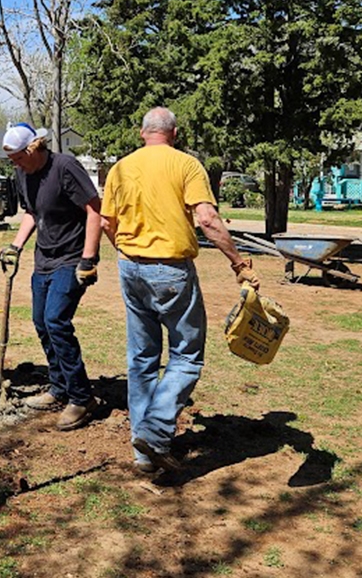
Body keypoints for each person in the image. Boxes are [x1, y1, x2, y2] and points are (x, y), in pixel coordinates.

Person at [100, 107, 260, 473]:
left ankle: (143, 452)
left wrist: (125, 251)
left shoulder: (121, 168)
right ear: (174, 133)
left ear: (143, 133)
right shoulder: (186, 165)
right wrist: (238, 262)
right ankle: (155, 432)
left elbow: (107, 221)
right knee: (187, 355)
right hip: (170, 269)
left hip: (130, 267)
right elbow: (206, 218)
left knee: (142, 359)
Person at [0, 122, 103, 432]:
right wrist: (16, 245)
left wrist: (89, 258)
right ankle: (59, 387)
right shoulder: (23, 173)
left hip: (71, 258)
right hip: (43, 258)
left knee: (57, 320)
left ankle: (82, 399)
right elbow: (32, 212)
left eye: (18, 158)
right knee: (41, 322)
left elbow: (95, 210)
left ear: (34, 149)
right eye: (12, 160)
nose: (15, 165)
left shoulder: (65, 167)